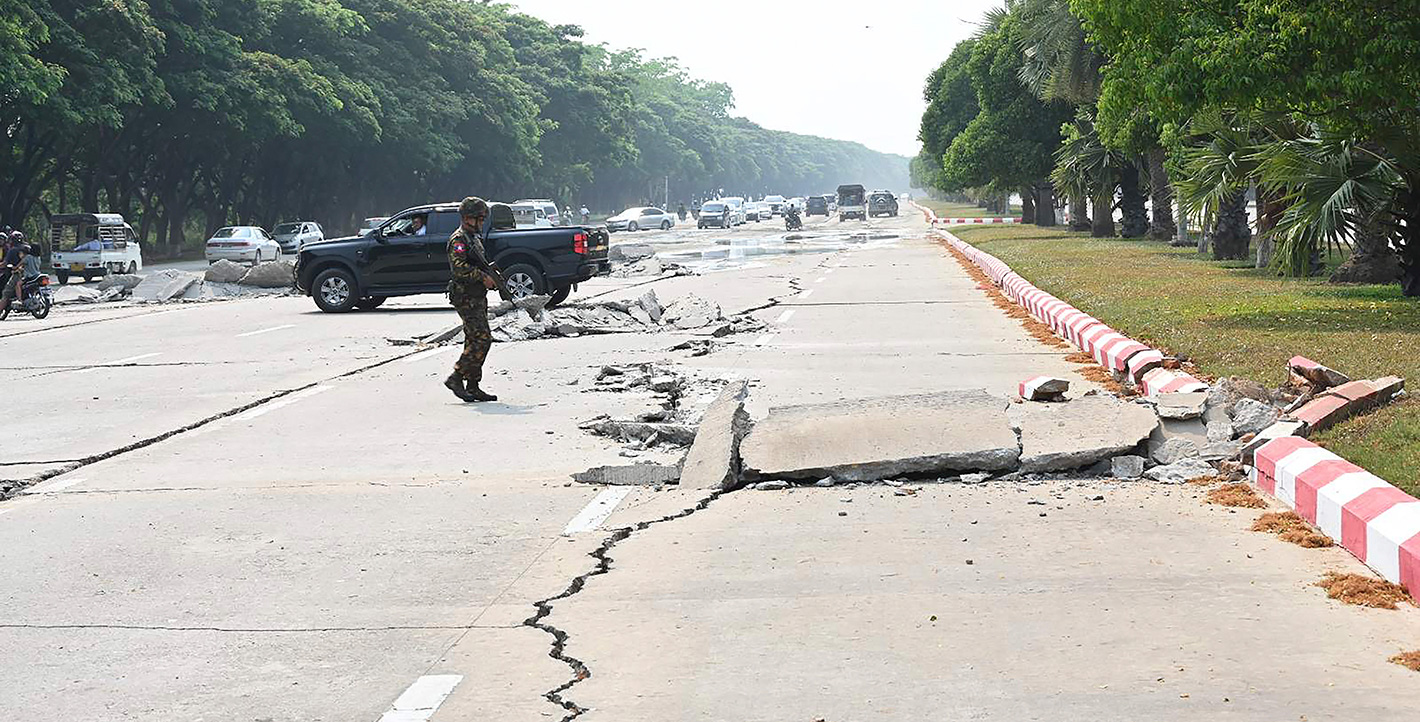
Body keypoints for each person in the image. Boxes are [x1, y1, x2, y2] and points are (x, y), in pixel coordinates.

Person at [444, 197, 503, 403]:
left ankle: (473, 385)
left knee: (473, 340)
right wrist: (482, 277)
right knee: (482, 339)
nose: (481, 223)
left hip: (477, 296)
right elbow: (458, 268)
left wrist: (491, 277)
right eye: (478, 219)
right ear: (467, 218)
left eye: (482, 219)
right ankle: (456, 376)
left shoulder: (473, 238)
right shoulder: (459, 240)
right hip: (465, 296)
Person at [1, 232, 27, 315]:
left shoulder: (12, 250)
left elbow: (5, 263)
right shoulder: (27, 247)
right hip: (30, 273)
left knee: (6, 293)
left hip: (17, 272)